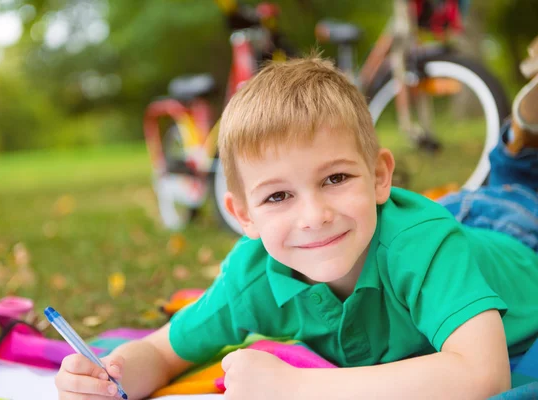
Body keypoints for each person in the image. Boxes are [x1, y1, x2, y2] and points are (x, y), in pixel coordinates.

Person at [54, 50, 538, 399]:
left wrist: (299, 387)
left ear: (378, 177)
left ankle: (519, 149)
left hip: (513, 234)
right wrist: (111, 375)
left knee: (508, 193)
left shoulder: (422, 248)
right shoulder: (251, 278)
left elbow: (483, 376)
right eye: (278, 195)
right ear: (243, 215)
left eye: (335, 178)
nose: (314, 215)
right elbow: (160, 353)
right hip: (414, 223)